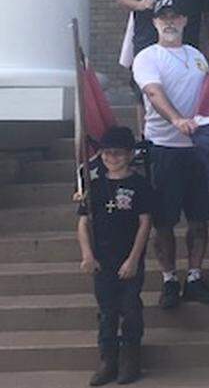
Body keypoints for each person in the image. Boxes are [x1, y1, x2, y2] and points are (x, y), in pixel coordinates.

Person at [131, 0, 209, 310]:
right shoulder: (147, 57)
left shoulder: (196, 56)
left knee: (199, 218)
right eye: (162, 17)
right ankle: (169, 279)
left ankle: (195, 276)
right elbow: (153, 92)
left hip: (199, 150)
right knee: (164, 221)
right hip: (164, 149)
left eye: (174, 16)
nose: (168, 22)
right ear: (154, 23)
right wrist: (176, 119)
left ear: (184, 21)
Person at [77, 126, 154, 385]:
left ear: (130, 154)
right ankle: (108, 360)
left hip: (129, 257)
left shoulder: (140, 184)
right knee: (107, 310)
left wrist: (133, 259)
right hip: (102, 259)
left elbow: (145, 223)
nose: (112, 158)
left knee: (130, 307)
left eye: (119, 153)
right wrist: (87, 254)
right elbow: (83, 223)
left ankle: (131, 358)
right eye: (107, 153)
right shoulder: (94, 185)